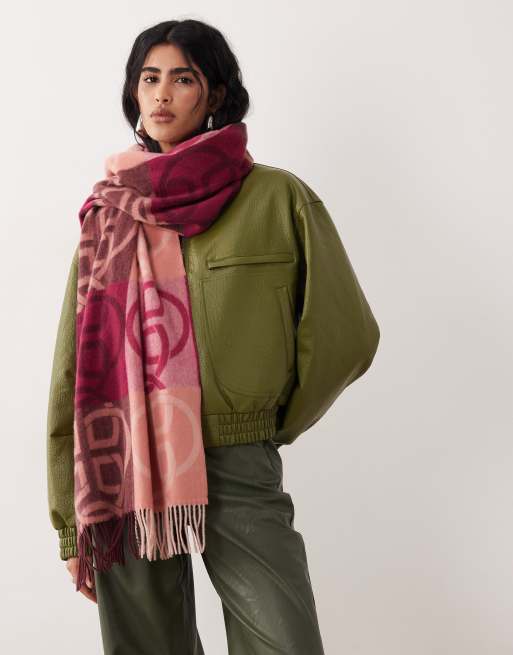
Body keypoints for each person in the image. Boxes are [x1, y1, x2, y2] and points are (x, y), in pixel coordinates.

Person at [46, 18, 380, 655]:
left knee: (284, 641)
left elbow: (348, 334)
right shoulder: (109, 214)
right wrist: (71, 522)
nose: (161, 94)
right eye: (149, 78)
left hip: (238, 461)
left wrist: (263, 421)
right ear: (134, 92)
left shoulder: (276, 197)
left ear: (216, 94)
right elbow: (74, 370)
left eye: (182, 79)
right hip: (127, 469)